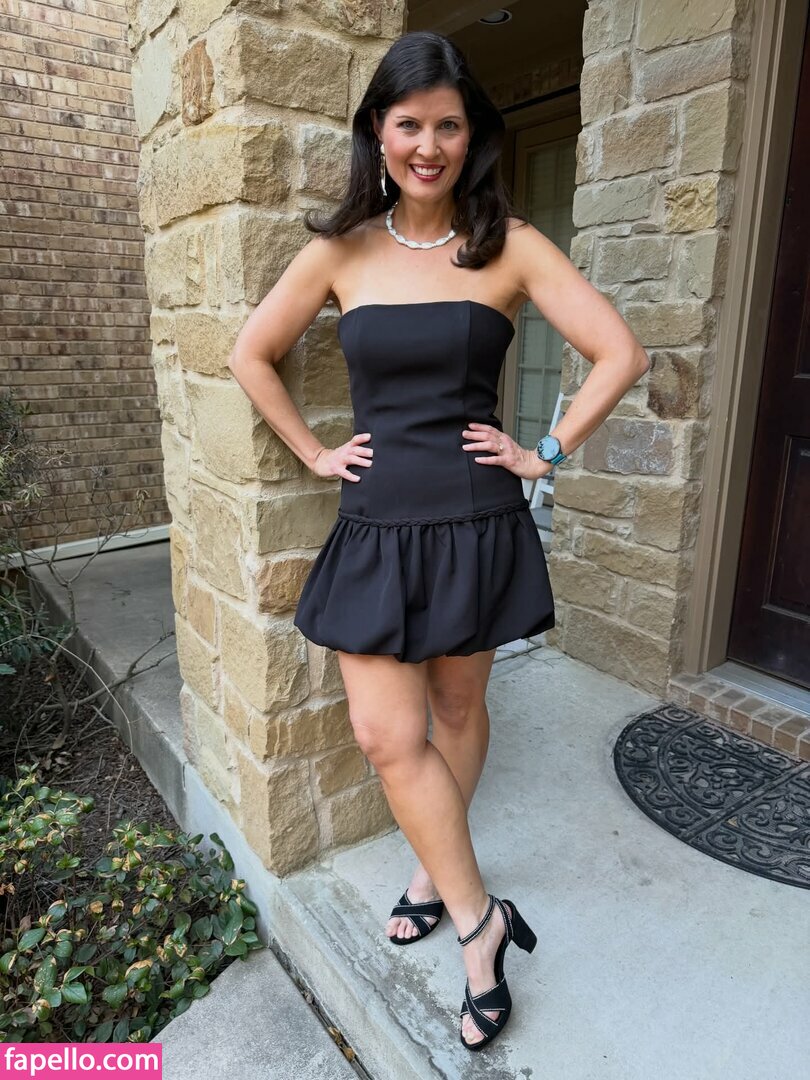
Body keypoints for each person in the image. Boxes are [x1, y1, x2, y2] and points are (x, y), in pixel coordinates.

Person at [228, 30, 649, 1053]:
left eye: (448, 126)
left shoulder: (511, 246)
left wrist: (542, 451)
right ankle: (480, 921)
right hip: (376, 523)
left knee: (458, 708)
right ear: (378, 131)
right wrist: (315, 453)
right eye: (409, 124)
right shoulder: (340, 250)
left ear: (472, 136)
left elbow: (618, 352)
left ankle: (431, 871)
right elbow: (251, 353)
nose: (429, 145)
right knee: (385, 734)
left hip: (474, 519)